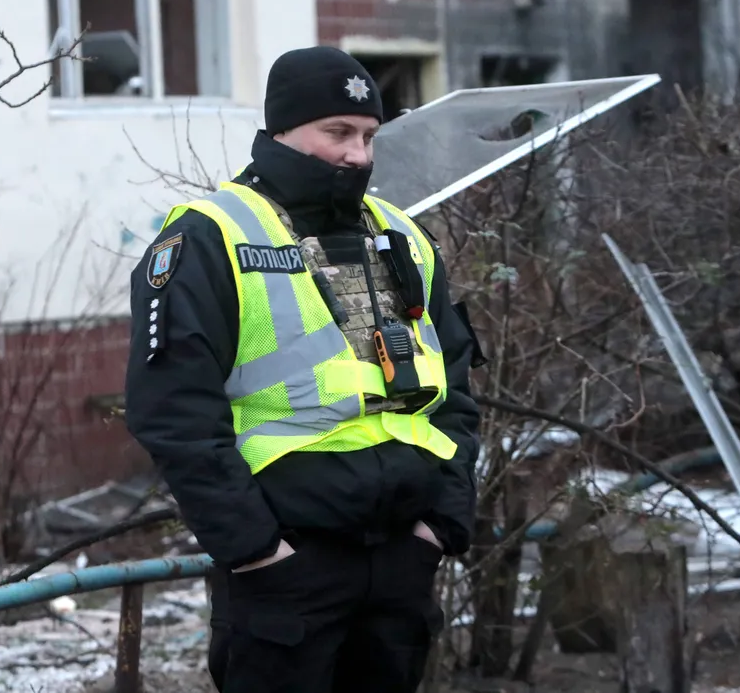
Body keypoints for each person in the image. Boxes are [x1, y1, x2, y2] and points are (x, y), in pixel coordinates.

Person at [123, 46, 483, 693]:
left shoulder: (403, 236)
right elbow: (173, 412)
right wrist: (260, 552)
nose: (358, 155)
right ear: (282, 130)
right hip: (287, 567)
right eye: (338, 132)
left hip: (402, 561)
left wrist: (441, 525)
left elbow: (455, 388)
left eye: (369, 135)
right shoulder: (211, 235)